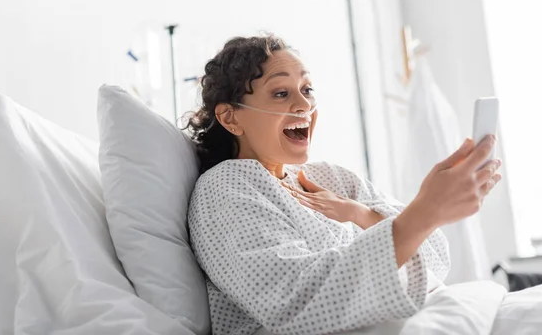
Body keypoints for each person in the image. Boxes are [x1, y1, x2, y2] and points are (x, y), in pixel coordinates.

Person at [185, 34, 502, 335]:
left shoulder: (332, 178)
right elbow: (291, 300)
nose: (303, 105)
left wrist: (363, 214)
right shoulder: (225, 187)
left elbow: (435, 260)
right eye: (281, 93)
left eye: (307, 89)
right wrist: (425, 212)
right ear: (230, 118)